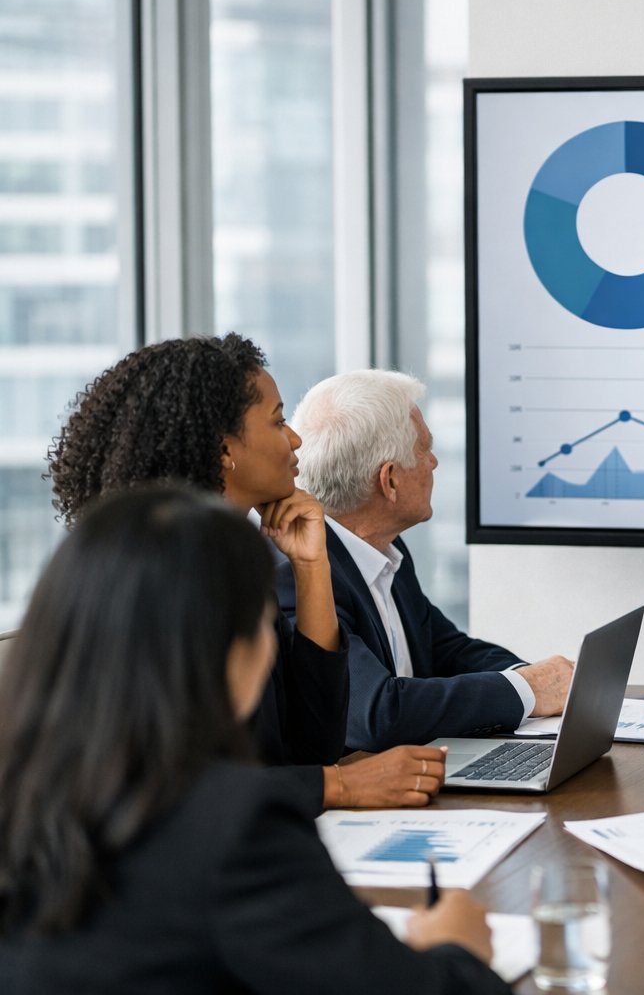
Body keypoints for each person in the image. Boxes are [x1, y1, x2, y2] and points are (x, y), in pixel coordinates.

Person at [0, 487, 505, 993]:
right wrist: (457, 946)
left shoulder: (27, 791)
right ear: (222, 650)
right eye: (265, 625)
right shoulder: (234, 825)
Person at [47, 335, 447, 810]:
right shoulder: (159, 586)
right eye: (278, 422)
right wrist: (342, 786)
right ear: (223, 451)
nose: (295, 438)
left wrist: (311, 566)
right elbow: (170, 790)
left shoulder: (234, 565)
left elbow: (311, 744)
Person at [280, 369, 573, 750]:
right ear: (390, 481)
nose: (434, 462)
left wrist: (532, 677)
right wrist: (529, 689)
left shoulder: (385, 552)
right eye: (424, 450)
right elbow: (377, 713)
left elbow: (448, 649)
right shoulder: (300, 575)